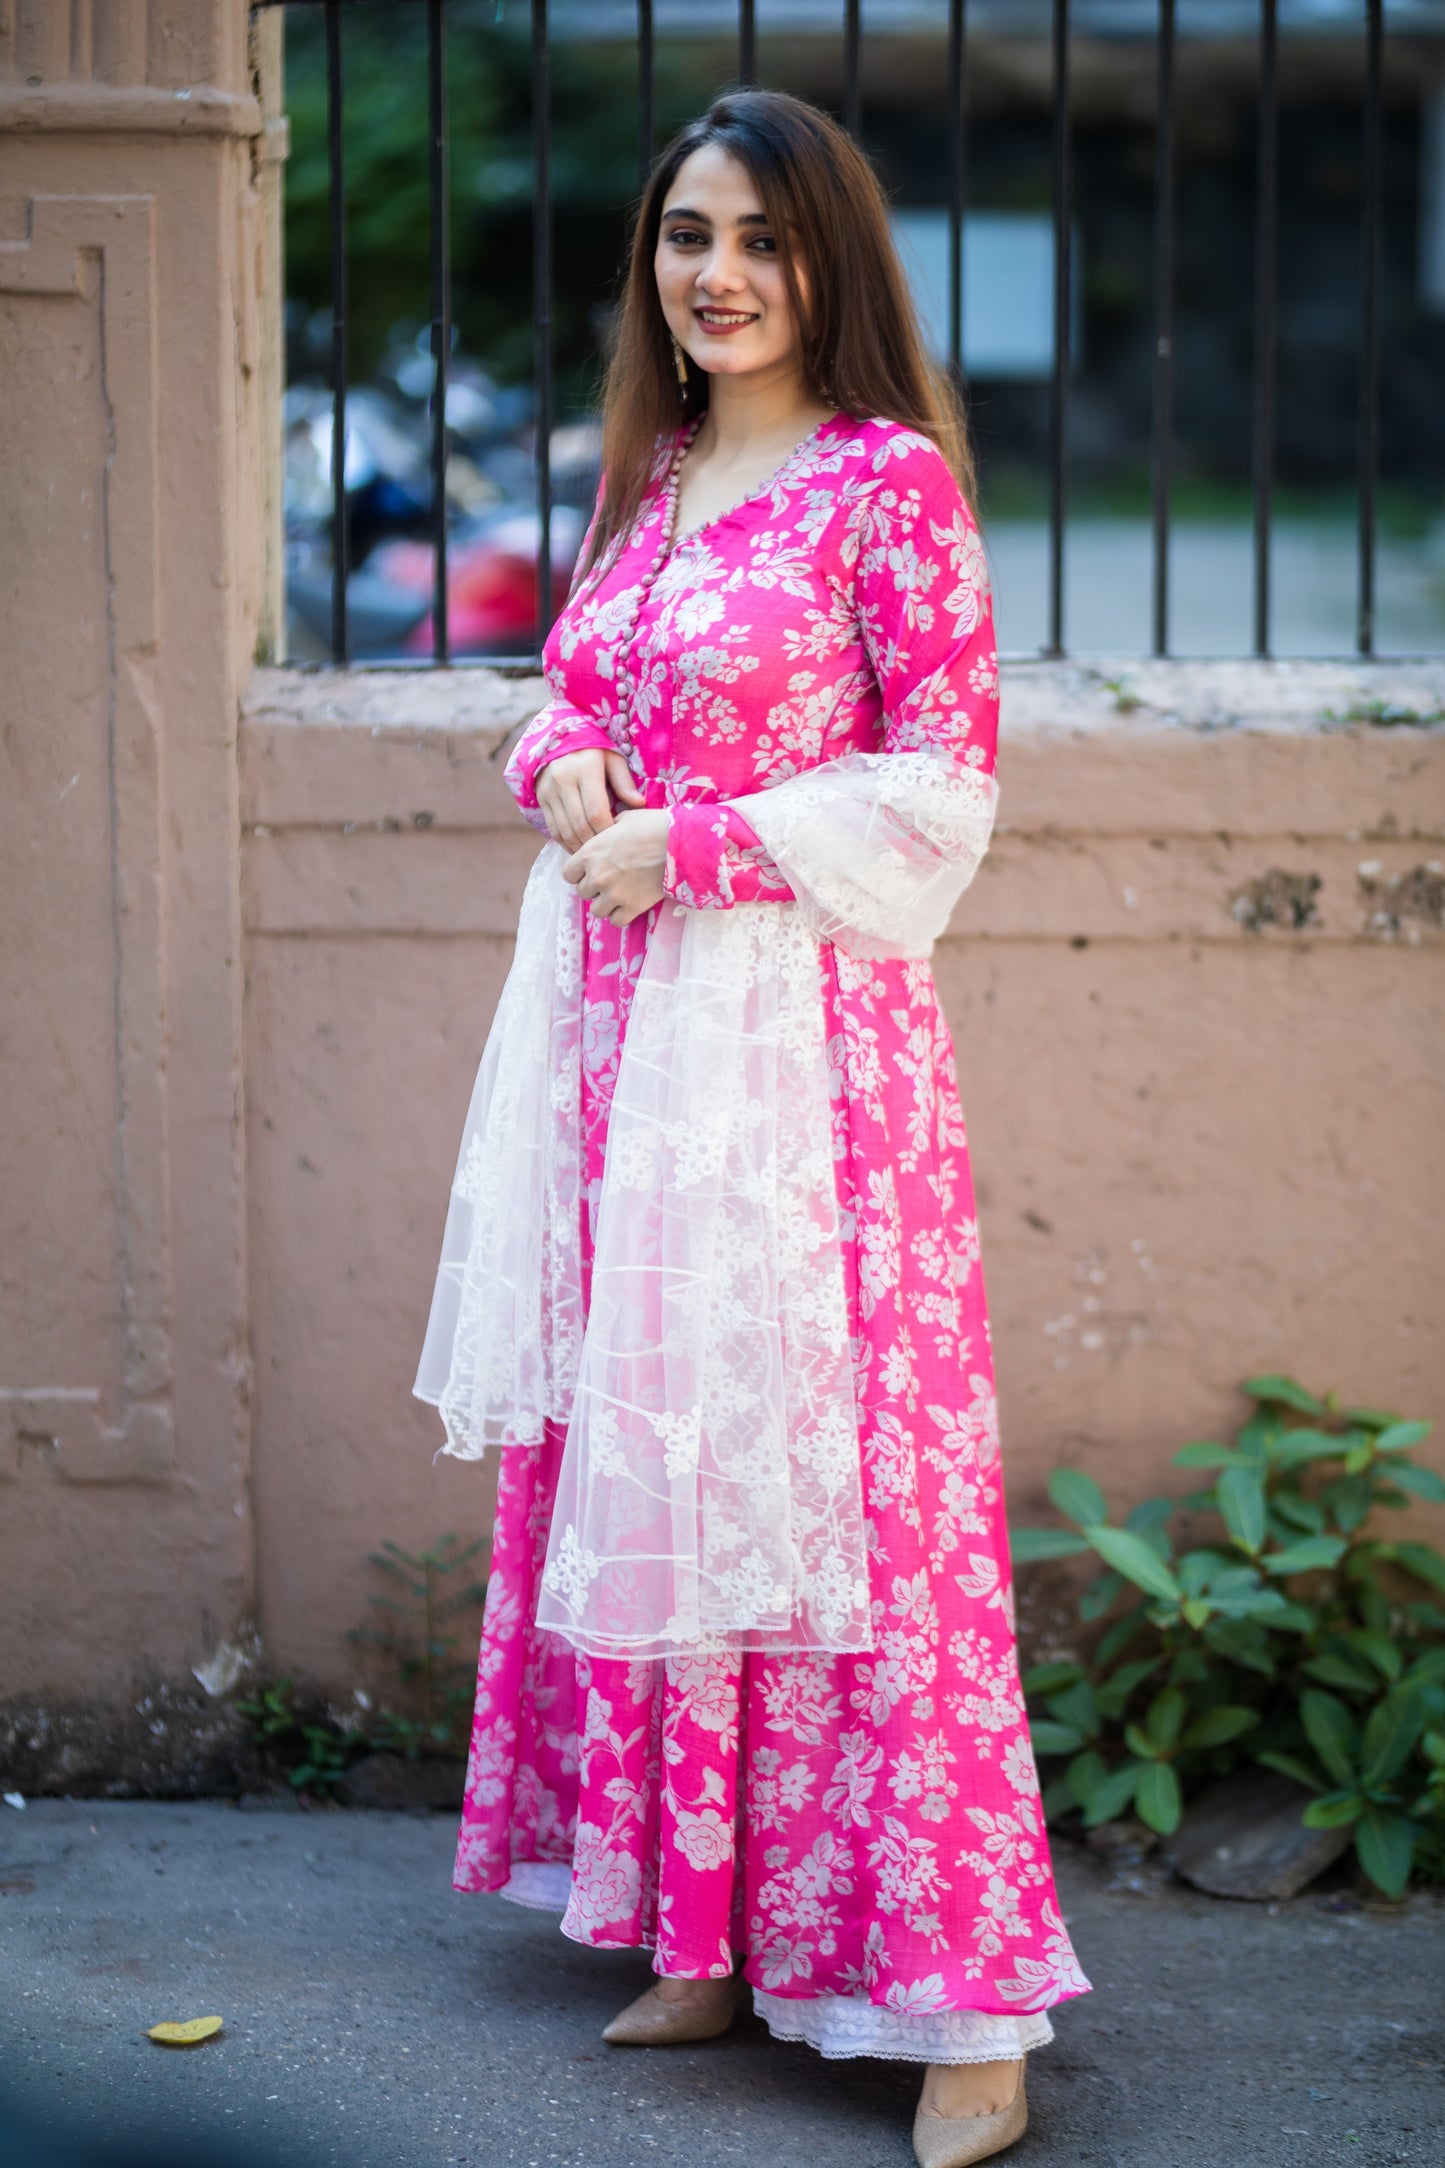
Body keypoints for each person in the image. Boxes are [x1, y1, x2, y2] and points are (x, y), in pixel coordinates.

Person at [414, 87, 1089, 2168]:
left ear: (832, 265)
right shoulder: (669, 475)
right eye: (688, 234)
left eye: (762, 241)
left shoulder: (886, 489)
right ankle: (698, 1920)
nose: (717, 274)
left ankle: (971, 2014)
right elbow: (565, 689)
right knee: (665, 1463)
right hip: (628, 1073)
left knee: (857, 1496)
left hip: (805, 1084)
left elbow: (942, 799)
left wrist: (689, 841)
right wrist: (560, 771)